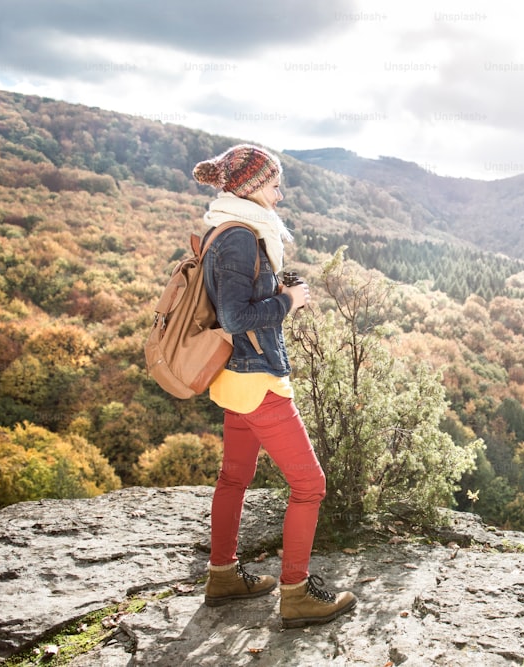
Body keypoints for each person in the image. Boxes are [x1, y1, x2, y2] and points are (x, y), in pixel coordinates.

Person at [191, 143, 356, 628]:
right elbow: (237, 315)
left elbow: (236, 299)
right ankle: (297, 593)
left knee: (234, 479)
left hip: (234, 378)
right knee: (310, 486)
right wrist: (288, 301)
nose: (280, 196)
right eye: (275, 185)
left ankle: (222, 575)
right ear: (252, 187)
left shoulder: (224, 227)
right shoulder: (241, 236)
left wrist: (276, 287)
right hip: (256, 378)